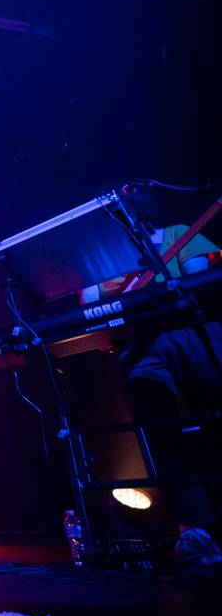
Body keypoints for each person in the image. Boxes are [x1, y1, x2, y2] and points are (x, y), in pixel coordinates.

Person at [82, 224, 222, 566]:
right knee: (161, 438)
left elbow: (196, 276)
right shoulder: (107, 258)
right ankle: (196, 531)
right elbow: (89, 300)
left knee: (215, 417)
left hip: (191, 330)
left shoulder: (176, 234)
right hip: (139, 348)